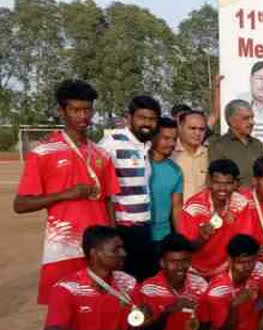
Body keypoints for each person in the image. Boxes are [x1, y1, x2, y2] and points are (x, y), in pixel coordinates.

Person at [14, 79, 120, 305]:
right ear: (61, 111)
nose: (83, 116)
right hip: (62, 248)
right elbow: (20, 204)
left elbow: (109, 200)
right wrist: (65, 194)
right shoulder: (43, 152)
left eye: (87, 109)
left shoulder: (102, 154)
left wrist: (114, 239)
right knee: (64, 311)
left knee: (100, 307)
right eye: (75, 110)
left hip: (99, 248)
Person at [97, 95, 159, 281]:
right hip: (123, 229)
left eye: (152, 119)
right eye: (142, 118)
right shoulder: (111, 144)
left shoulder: (145, 145)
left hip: (143, 228)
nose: (147, 123)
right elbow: (102, 191)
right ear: (129, 118)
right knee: (125, 284)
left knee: (142, 284)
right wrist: (112, 233)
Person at [177, 159, 254, 278]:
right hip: (195, 270)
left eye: (228, 183)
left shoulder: (241, 204)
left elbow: (243, 243)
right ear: (209, 181)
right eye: (217, 182)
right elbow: (185, 248)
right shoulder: (193, 207)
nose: (222, 188)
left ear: (235, 184)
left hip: (226, 268)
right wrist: (201, 238)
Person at [208, 99, 263, 182]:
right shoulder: (218, 146)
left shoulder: (257, 144)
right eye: (246, 118)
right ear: (232, 121)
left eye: (252, 117)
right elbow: (216, 180)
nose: (252, 122)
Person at [148, 117, 183, 245]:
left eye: (174, 139)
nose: (172, 144)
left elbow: (176, 207)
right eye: (166, 138)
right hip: (139, 233)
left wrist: (179, 239)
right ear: (153, 137)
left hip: (164, 236)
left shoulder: (175, 170)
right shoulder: (140, 164)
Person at [173, 110, 209, 200]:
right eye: (192, 128)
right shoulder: (170, 154)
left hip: (203, 212)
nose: (197, 133)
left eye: (202, 129)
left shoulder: (210, 155)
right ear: (180, 128)